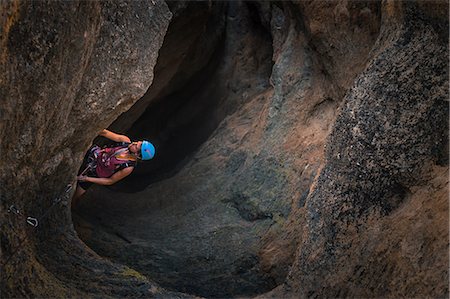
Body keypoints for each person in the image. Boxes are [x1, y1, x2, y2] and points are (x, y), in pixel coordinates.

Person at [71, 129, 155, 208]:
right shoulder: (125, 141)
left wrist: (87, 179)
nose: (134, 143)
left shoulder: (128, 167)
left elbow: (110, 181)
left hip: (95, 173)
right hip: (96, 155)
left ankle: (72, 208)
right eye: (138, 142)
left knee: (75, 196)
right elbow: (105, 133)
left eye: (137, 146)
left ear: (137, 155)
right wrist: (93, 128)